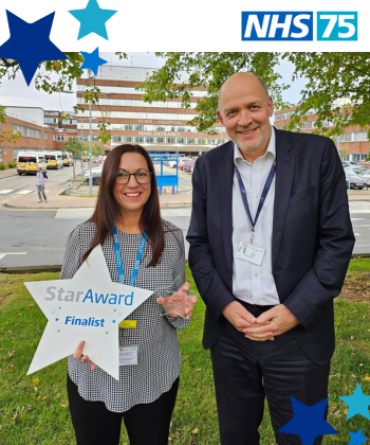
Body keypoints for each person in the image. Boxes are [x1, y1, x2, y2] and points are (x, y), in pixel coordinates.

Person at [187, 73, 355, 445]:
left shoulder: (317, 154)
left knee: (300, 439)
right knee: (236, 436)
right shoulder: (208, 167)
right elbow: (198, 245)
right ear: (221, 118)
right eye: (232, 111)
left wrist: (295, 311)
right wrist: (225, 306)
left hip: (297, 331)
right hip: (232, 332)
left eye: (252, 107)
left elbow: (337, 242)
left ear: (270, 107)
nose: (244, 119)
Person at [60, 144, 197, 445]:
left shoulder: (172, 238)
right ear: (107, 180)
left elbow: (176, 311)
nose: (132, 183)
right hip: (94, 374)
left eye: (140, 174)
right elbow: (63, 310)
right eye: (121, 174)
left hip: (153, 371)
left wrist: (176, 310)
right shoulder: (84, 238)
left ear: (151, 180)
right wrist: (74, 340)